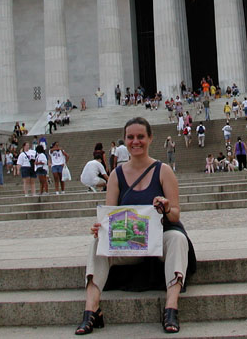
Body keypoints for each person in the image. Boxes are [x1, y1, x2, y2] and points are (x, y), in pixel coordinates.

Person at [76, 117, 195, 335]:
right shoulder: (116, 175)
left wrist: (167, 207)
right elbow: (110, 216)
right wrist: (101, 228)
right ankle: (91, 310)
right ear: (124, 141)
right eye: (130, 137)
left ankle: (171, 307)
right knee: (96, 244)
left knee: (178, 239)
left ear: (150, 138)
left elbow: (176, 215)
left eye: (141, 136)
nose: (135, 141)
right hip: (130, 241)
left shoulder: (163, 170)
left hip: (160, 238)